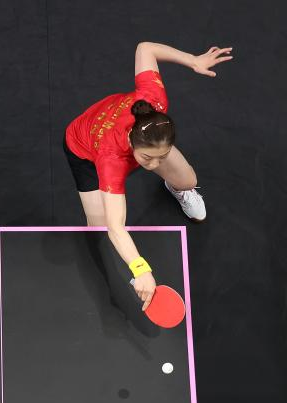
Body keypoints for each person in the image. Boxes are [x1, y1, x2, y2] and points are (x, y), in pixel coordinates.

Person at [64, 41, 233, 310]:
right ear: (132, 143)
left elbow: (145, 48)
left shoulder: (154, 100)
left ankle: (176, 188)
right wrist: (140, 269)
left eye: (161, 157)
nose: (153, 166)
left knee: (188, 180)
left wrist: (193, 60)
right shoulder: (111, 160)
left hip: (147, 138)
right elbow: (117, 226)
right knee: (101, 227)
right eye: (147, 159)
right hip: (84, 148)